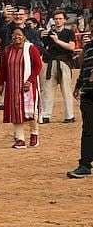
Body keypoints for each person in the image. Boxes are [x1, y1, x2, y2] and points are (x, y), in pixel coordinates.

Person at [0, 27, 44, 149]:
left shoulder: (31, 49)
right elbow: (3, 68)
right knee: (16, 112)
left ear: (24, 36)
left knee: (30, 112)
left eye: (19, 34)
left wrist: (30, 81)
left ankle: (34, 134)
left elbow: (38, 66)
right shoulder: (7, 50)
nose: (16, 37)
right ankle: (20, 139)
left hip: (28, 86)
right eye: (14, 35)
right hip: (12, 87)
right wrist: (0, 83)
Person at [39, 11, 77, 124]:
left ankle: (69, 115)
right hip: (51, 63)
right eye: (56, 18)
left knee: (66, 90)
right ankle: (46, 115)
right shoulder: (49, 33)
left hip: (64, 62)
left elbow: (71, 47)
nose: (58, 21)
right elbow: (43, 47)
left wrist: (57, 41)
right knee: (47, 90)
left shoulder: (69, 32)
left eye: (60, 18)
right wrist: (41, 36)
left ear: (64, 20)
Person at [69, 44, 92, 178]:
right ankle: (85, 165)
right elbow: (83, 68)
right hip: (88, 93)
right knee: (88, 130)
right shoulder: (88, 47)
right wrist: (78, 85)